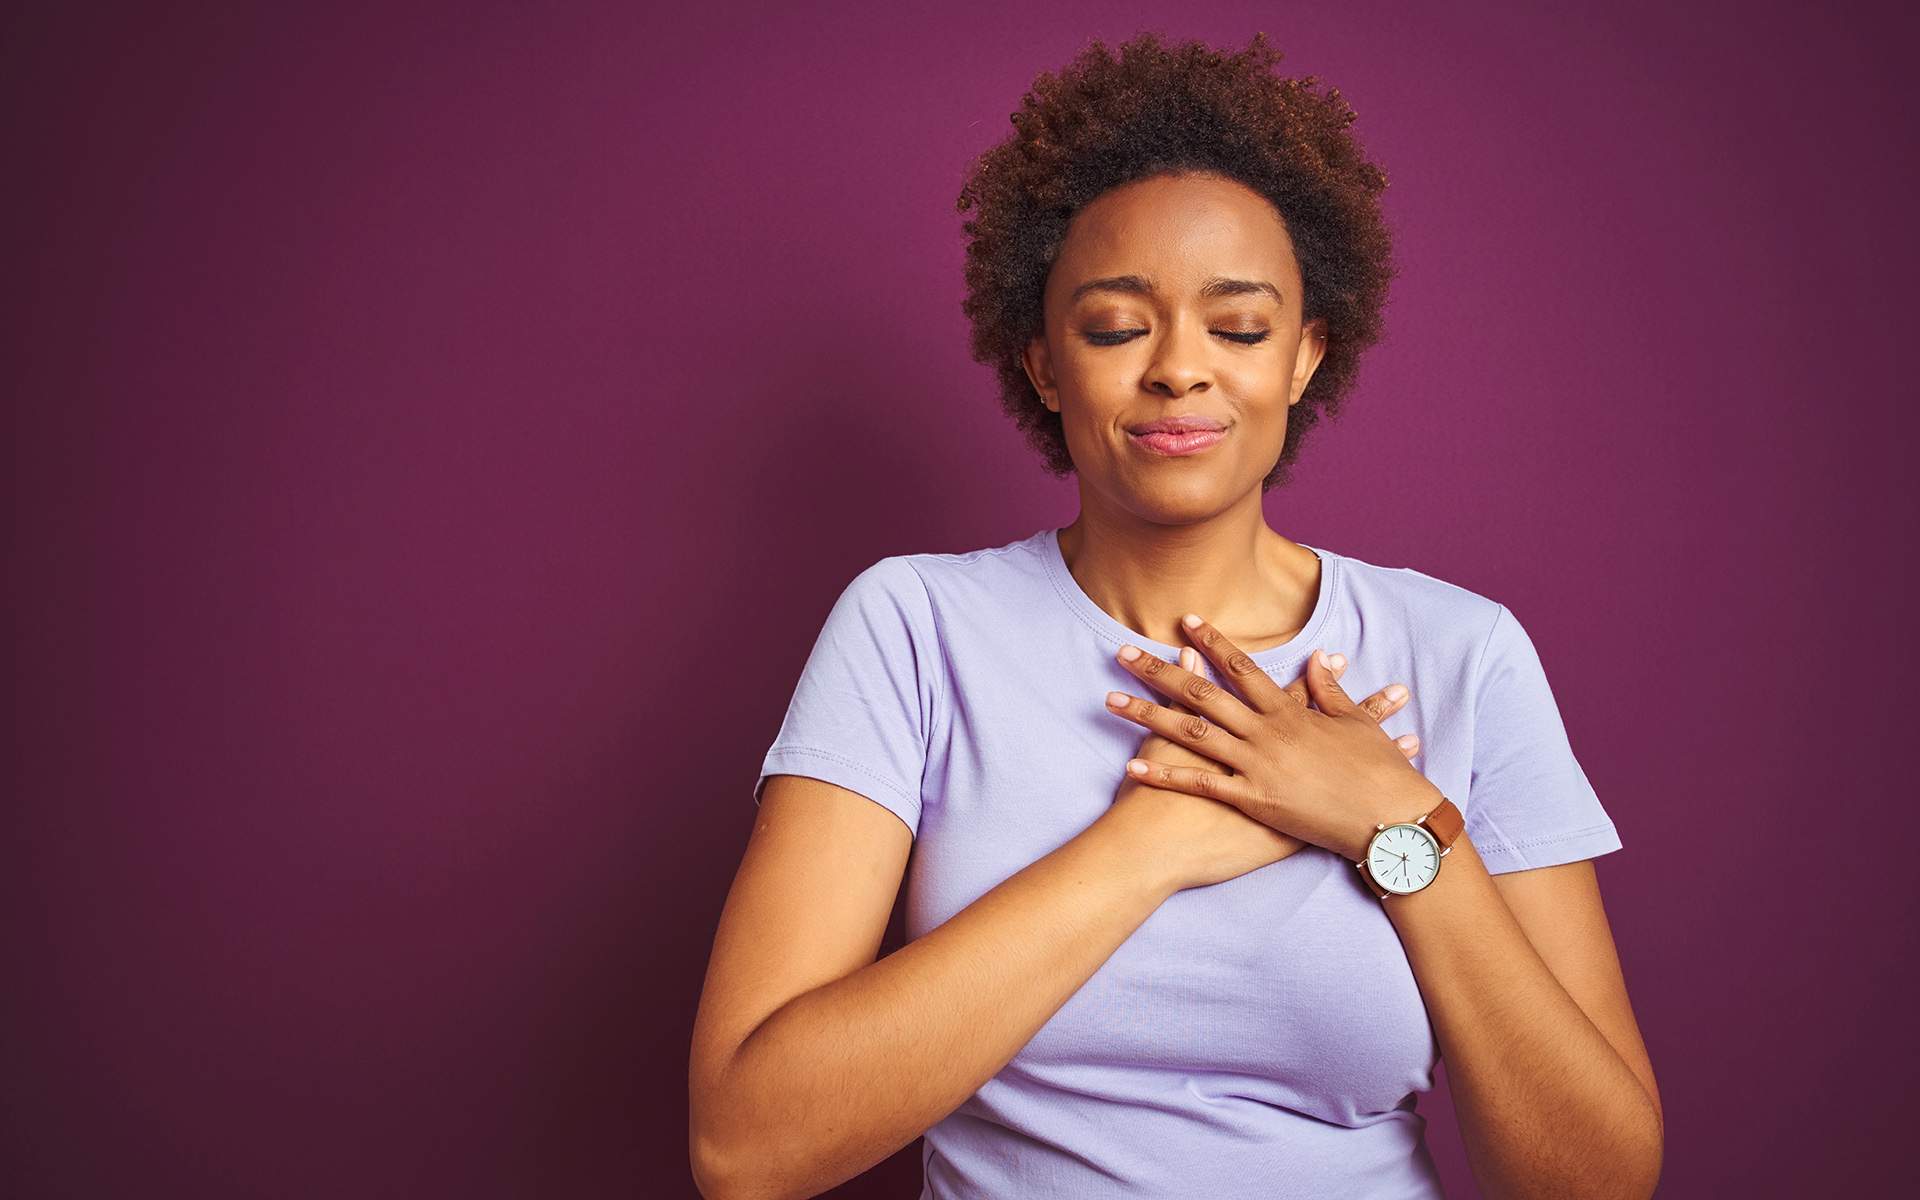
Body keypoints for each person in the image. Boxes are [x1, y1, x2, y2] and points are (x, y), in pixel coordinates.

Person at [690, 30, 1662, 1200]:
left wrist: (1398, 826)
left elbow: (1597, 1182)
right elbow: (746, 1150)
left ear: (1306, 357)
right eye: (1113, 327)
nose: (1179, 370)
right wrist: (1149, 847)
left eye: (1239, 327)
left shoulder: (1461, 653)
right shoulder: (913, 627)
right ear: (1046, 364)